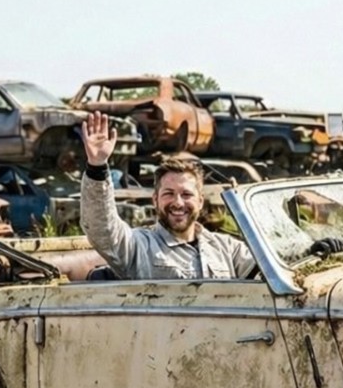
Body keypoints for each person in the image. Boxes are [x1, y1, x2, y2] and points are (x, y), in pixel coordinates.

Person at [78, 111, 256, 280]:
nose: (178, 203)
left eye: (186, 194)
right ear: (155, 200)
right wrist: (97, 166)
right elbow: (102, 228)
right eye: (169, 194)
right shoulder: (139, 247)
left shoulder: (228, 249)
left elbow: (270, 273)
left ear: (200, 201)